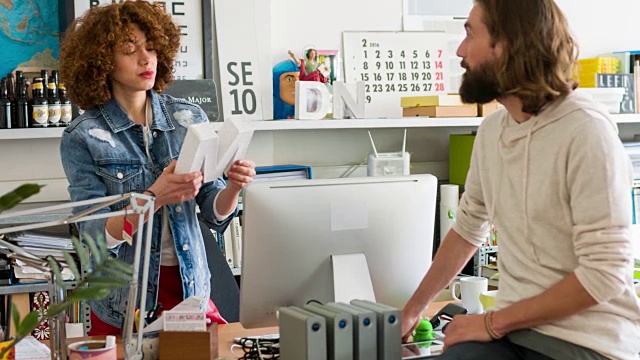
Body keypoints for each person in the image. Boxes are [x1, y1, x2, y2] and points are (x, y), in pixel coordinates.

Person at [401, 1, 640, 359]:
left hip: (587, 342)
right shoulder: (492, 131)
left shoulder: (585, 130)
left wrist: (491, 323)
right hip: (515, 332)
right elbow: (467, 229)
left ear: (507, 44)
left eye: (469, 34)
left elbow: (605, 274)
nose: (460, 51)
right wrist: (411, 310)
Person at [58, 2, 256, 335]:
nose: (146, 58)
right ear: (103, 60)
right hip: (124, 299)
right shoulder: (82, 137)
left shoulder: (188, 118)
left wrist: (234, 187)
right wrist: (155, 197)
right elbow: (94, 235)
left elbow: (213, 212)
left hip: (190, 288)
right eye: (129, 50)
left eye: (151, 48)